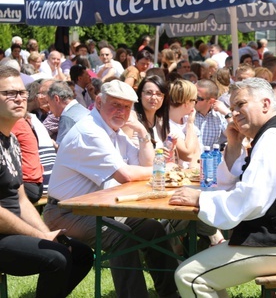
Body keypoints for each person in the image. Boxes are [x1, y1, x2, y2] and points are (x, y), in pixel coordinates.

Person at [169, 78, 276, 296]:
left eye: (241, 104)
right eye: (231, 108)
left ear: (266, 104)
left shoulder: (273, 138)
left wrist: (200, 199)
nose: (235, 113)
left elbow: (251, 199)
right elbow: (239, 184)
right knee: (196, 274)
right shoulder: (272, 134)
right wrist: (234, 145)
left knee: (189, 276)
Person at [43, 80, 179, 298]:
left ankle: (172, 294)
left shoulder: (111, 129)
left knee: (152, 228)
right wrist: (166, 169)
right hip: (64, 211)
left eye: (126, 107)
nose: (122, 111)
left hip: (95, 208)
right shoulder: (91, 131)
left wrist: (143, 132)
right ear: (98, 101)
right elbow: (126, 174)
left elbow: (145, 165)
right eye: (115, 104)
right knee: (121, 236)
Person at [0, 66, 93, 297]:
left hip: (15, 231)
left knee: (81, 254)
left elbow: (21, 198)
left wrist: (47, 233)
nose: (19, 98)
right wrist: (41, 237)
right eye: (9, 93)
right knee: (57, 257)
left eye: (22, 93)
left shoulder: (11, 140)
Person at [167, 78, 201, 165]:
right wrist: (190, 124)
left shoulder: (186, 119)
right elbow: (188, 155)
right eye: (195, 101)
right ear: (187, 102)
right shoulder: (167, 124)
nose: (195, 104)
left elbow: (198, 152)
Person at [129, 75, 170, 147]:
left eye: (158, 94)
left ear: (164, 98)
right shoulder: (131, 119)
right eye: (149, 93)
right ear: (140, 95)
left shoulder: (160, 122)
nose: (154, 97)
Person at [194, 79, 230, 149]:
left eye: (198, 98)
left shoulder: (219, 116)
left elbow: (234, 136)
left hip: (209, 158)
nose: (192, 99)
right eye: (192, 95)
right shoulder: (186, 113)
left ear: (211, 101)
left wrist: (227, 113)